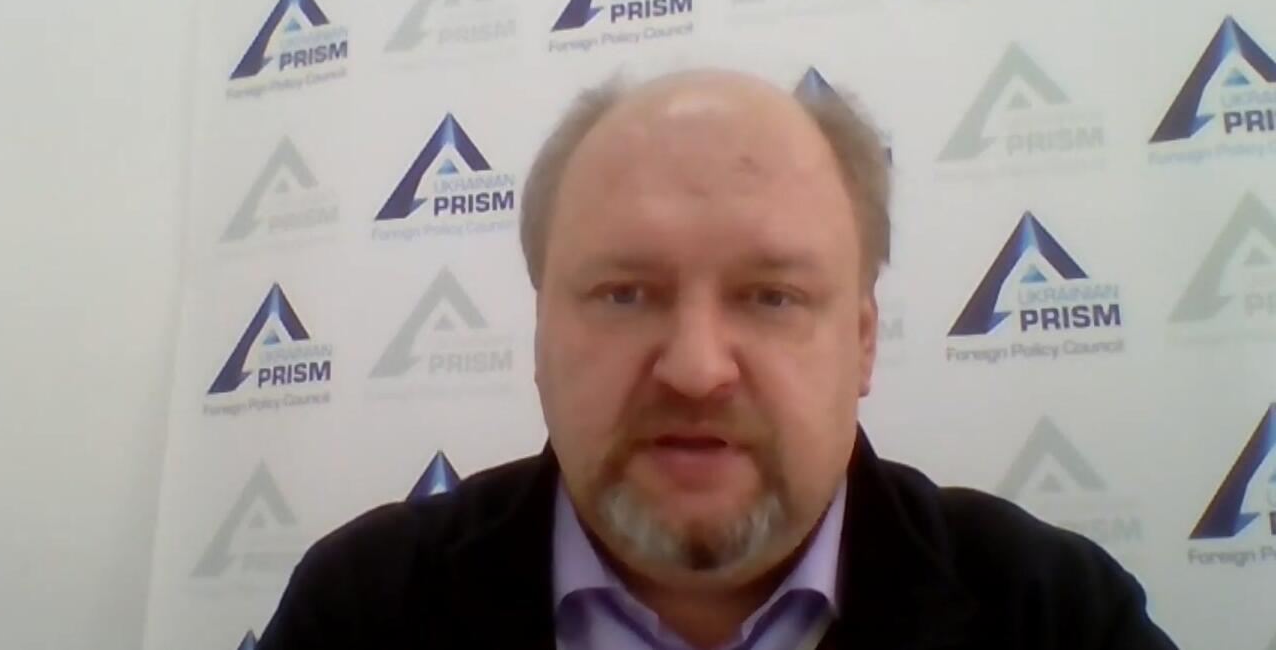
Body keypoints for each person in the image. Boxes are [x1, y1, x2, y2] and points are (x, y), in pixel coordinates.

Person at [256, 70, 1178, 650]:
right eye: (625, 294)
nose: (696, 370)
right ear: (540, 334)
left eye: (771, 296)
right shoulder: (364, 611)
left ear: (862, 342)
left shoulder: (1055, 614)